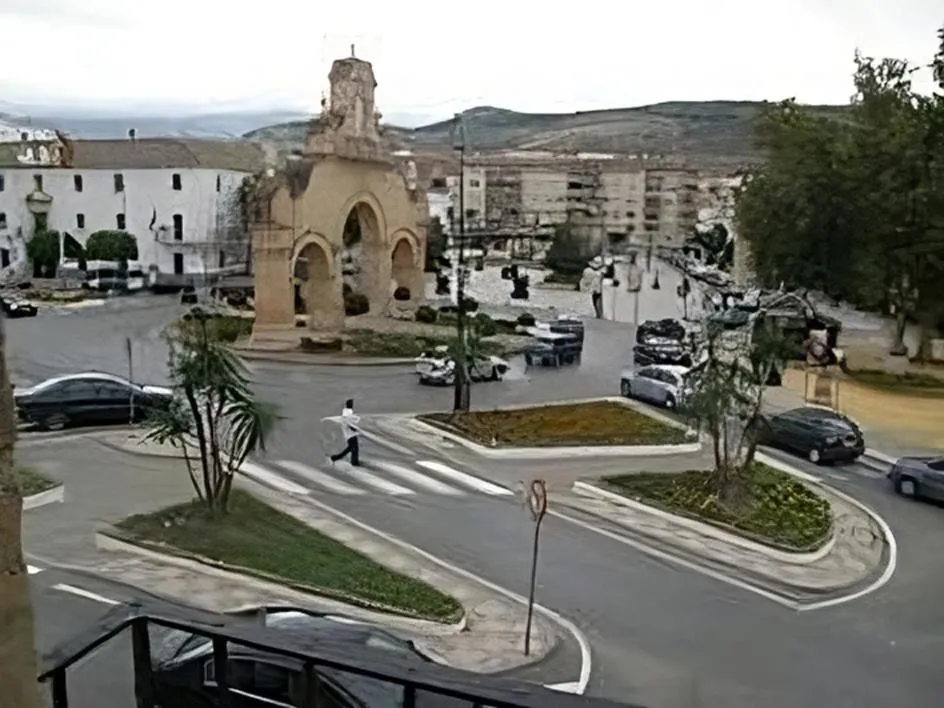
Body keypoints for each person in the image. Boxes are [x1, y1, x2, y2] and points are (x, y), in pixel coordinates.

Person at [328, 399, 361, 467]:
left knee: (351, 448)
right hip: (350, 434)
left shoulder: (347, 411)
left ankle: (336, 458)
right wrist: (353, 428)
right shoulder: (347, 412)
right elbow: (347, 421)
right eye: (351, 403)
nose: (352, 405)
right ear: (348, 404)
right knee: (354, 448)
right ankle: (354, 462)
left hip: (349, 434)